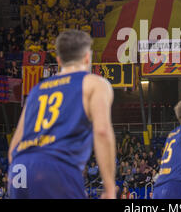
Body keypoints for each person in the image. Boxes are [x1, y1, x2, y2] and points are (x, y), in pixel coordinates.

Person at [8, 30, 116, 199]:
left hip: (19, 168)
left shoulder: (37, 90)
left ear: (59, 60)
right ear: (87, 57)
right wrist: (109, 188)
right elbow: (102, 131)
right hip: (56, 165)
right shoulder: (94, 83)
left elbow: (14, 145)